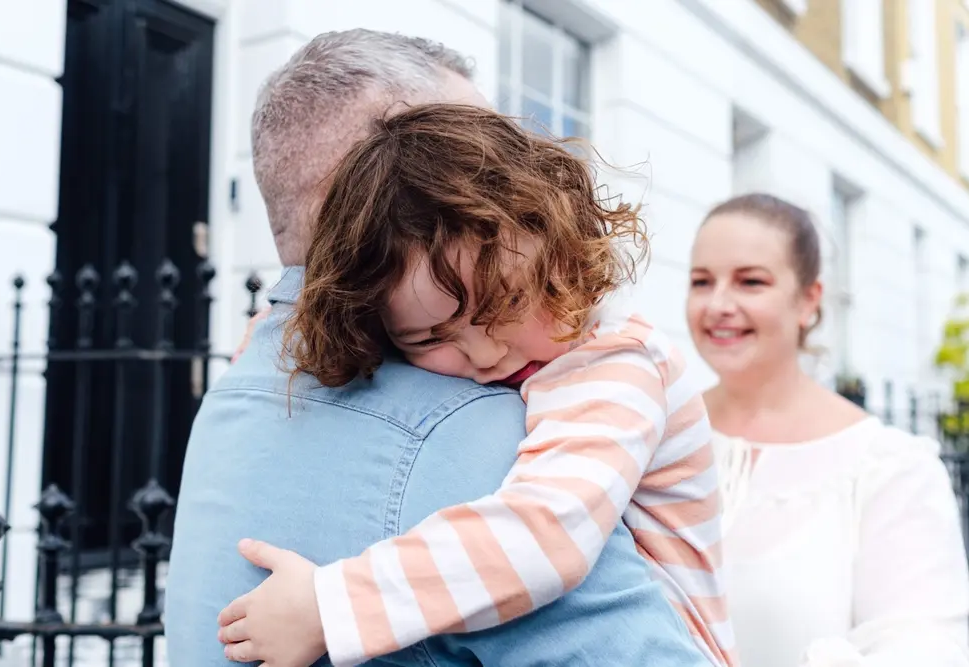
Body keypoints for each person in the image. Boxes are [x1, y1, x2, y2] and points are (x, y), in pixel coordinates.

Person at [164, 29, 712, 667]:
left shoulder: (610, 365)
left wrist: (334, 607)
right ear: (381, 187)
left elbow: (548, 531)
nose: (481, 353)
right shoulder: (460, 424)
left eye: (502, 305)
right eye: (466, 149)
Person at [687, 192, 969, 666]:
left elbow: (924, 647)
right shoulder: (651, 434)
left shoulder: (889, 469)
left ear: (809, 300)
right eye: (701, 281)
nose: (718, 304)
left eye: (750, 281)